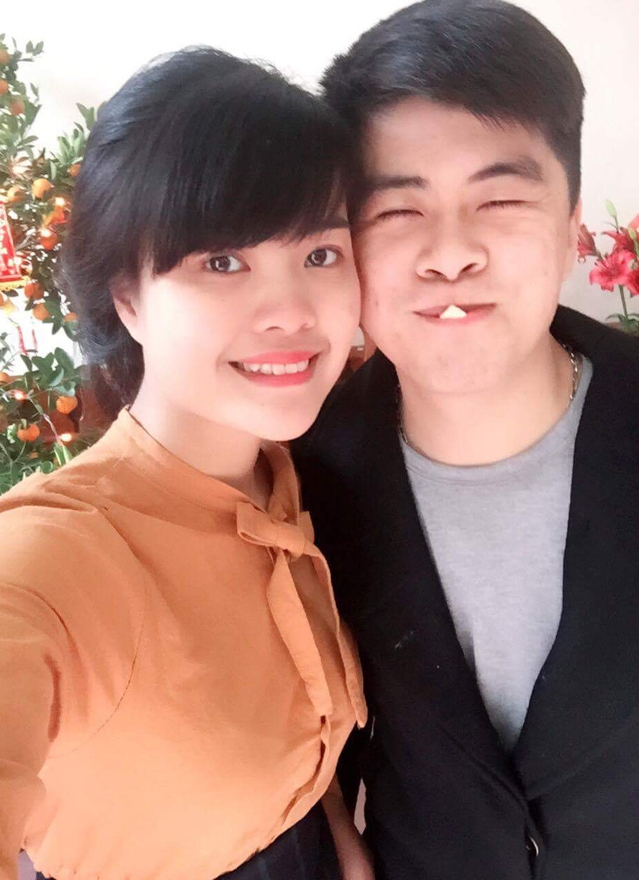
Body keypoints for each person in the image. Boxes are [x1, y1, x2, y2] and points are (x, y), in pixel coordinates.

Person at [0, 47, 368, 880]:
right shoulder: (52, 560)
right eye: (222, 262)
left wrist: (339, 835)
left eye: (320, 254)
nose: (292, 311)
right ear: (128, 298)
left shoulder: (296, 476)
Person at [293, 1, 639, 878]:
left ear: (572, 227)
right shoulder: (297, 476)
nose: (450, 255)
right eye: (397, 211)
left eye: (501, 199)